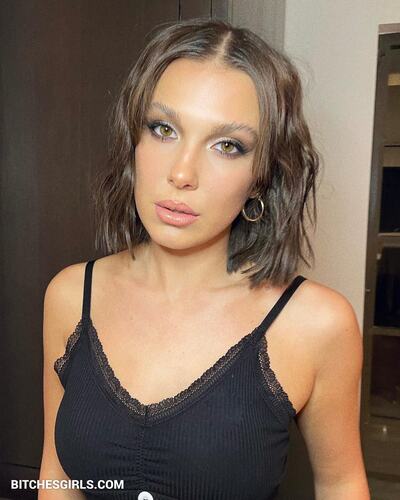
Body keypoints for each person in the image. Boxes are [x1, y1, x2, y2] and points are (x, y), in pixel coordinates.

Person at [39, 17, 370, 500]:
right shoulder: (71, 294)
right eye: (163, 129)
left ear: (261, 176)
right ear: (134, 140)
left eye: (227, 146)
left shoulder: (316, 324)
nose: (182, 173)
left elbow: (341, 484)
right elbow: (56, 475)